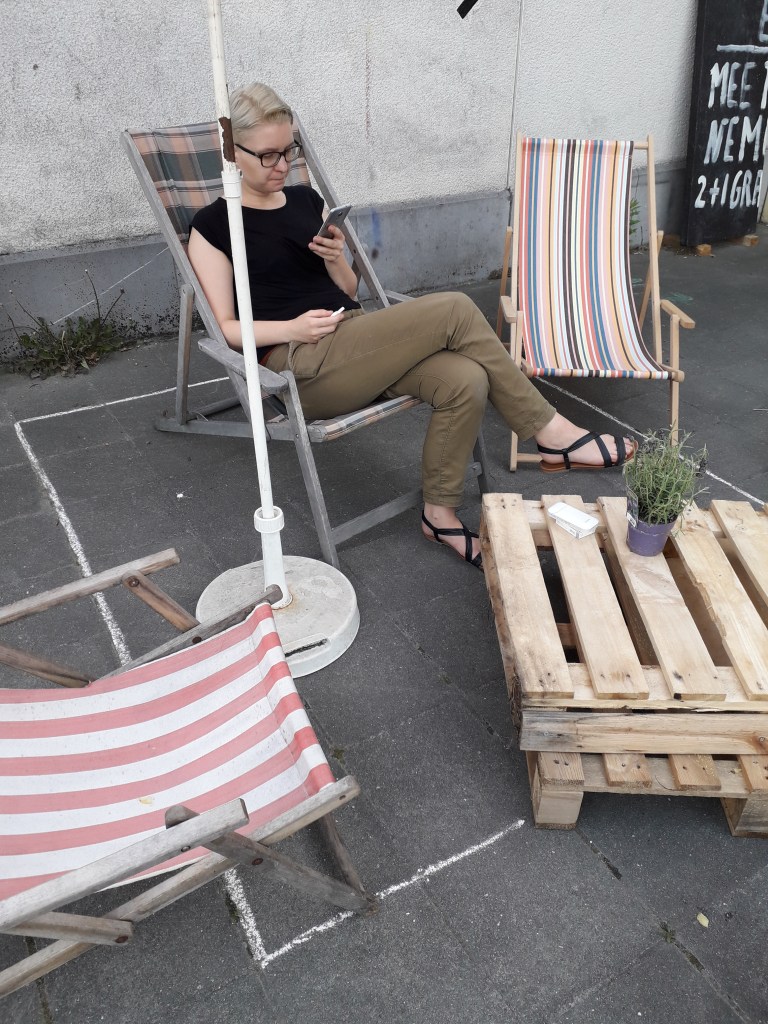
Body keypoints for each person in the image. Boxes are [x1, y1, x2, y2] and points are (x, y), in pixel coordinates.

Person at [188, 82, 635, 570]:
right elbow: (224, 328)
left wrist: (336, 260)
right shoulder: (213, 226)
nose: (282, 166)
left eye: (289, 150)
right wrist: (290, 329)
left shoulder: (303, 199)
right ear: (233, 152)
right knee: (455, 309)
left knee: (467, 379)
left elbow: (349, 289)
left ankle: (439, 515)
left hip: (356, 341)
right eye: (268, 156)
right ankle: (551, 432)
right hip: (302, 367)